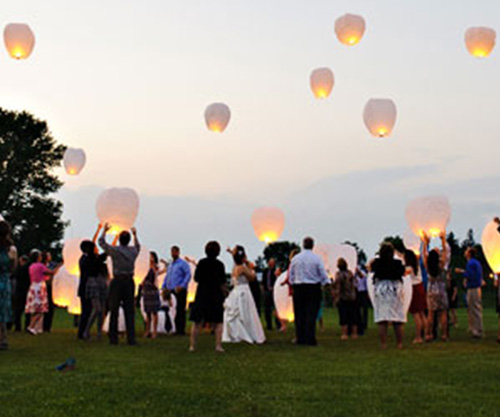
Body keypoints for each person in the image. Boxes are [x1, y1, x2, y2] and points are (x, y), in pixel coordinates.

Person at [99, 224, 140, 345]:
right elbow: (138, 246)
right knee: (130, 311)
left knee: (114, 309)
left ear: (120, 240)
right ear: (128, 241)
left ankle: (113, 338)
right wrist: (135, 234)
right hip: (129, 281)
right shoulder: (133, 251)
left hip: (117, 281)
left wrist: (104, 231)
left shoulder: (115, 250)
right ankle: (131, 339)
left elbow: (102, 243)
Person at [289, 237, 330, 346]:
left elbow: (291, 275)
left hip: (298, 287)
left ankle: (300, 337)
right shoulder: (316, 259)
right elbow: (322, 273)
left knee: (299, 314)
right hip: (313, 288)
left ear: (303, 245)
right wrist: (326, 282)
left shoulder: (296, 259)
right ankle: (310, 338)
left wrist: (293, 283)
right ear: (313, 245)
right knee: (311, 314)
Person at [222, 245, 265, 344]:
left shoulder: (235, 267)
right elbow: (252, 277)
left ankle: (236, 333)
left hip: (236, 291)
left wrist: (230, 252)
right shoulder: (242, 268)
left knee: (237, 313)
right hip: (244, 291)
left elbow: (235, 255)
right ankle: (247, 333)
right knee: (246, 313)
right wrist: (252, 268)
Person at [189, 241, 227, 352]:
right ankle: (218, 345)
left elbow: (196, 278)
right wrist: (225, 292)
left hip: (202, 294)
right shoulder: (220, 265)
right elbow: (223, 282)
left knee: (197, 321)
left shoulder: (201, 263)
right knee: (218, 322)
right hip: (215, 295)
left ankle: (192, 346)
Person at [369, 242, 406, 349]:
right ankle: (399, 343)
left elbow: (370, 268)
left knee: (382, 319)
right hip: (395, 289)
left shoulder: (377, 263)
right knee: (397, 318)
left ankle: (383, 343)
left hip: (381, 289)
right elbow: (403, 273)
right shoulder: (398, 263)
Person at [422, 232, 449, 342]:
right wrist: (443, 240)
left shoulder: (427, 266)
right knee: (443, 313)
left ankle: (428, 335)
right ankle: (444, 335)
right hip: (441, 290)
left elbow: (423, 254)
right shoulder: (441, 264)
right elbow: (446, 254)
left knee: (431, 314)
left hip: (431, 291)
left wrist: (425, 242)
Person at [25, 250, 58, 335]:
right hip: (39, 287)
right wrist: (59, 267)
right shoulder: (40, 266)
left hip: (33, 286)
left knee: (34, 309)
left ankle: (34, 327)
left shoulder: (31, 266)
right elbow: (52, 272)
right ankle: (31, 326)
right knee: (40, 309)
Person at [81, 241, 108, 340]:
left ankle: (99, 333)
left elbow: (105, 254)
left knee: (102, 309)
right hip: (93, 283)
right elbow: (105, 254)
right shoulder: (88, 260)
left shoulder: (95, 258)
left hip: (100, 282)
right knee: (97, 309)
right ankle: (87, 331)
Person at [162, 246, 191, 335]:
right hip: (170, 290)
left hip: (179, 290)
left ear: (178, 252)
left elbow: (188, 275)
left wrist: (182, 285)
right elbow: (167, 276)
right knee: (171, 309)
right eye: (172, 252)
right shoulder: (170, 265)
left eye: (175, 252)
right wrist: (163, 286)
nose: (173, 253)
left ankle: (181, 330)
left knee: (180, 310)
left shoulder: (183, 264)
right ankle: (173, 328)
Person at [455, 247, 484, 338]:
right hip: (476, 287)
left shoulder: (470, 263)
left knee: (474, 309)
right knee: (474, 308)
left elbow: (470, 275)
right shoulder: (476, 263)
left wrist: (462, 273)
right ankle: (474, 328)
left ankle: (477, 330)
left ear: (469, 254)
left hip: (473, 288)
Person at [332, 258, 359, 341]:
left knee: (344, 316)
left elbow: (337, 287)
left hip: (343, 297)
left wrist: (336, 297)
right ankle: (354, 334)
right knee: (353, 316)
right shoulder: (350, 273)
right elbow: (356, 284)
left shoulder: (339, 275)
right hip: (352, 297)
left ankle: (344, 334)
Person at [405, 249, 427, 344]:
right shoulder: (417, 265)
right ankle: (427, 334)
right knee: (422, 314)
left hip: (414, 289)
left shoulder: (409, 268)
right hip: (420, 287)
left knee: (416, 314)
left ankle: (418, 337)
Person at [142, 251, 166, 339]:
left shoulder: (155, 268)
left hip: (153, 291)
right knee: (148, 312)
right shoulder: (144, 268)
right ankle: (147, 330)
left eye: (151, 257)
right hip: (146, 291)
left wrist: (165, 264)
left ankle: (154, 331)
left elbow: (161, 272)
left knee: (154, 312)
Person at [0, 221, 16, 350]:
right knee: (2, 311)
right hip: (4, 281)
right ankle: (3, 339)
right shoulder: (11, 249)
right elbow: (13, 268)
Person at [262, 258, 281, 331]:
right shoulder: (265, 271)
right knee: (267, 309)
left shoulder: (276, 271)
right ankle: (269, 325)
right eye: (269, 262)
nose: (270, 264)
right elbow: (264, 281)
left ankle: (278, 324)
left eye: (272, 263)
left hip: (274, 291)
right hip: (267, 291)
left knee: (276, 308)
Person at [13, 255, 30, 332]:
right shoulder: (28, 269)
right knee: (27, 311)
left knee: (18, 310)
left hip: (19, 291)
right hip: (27, 290)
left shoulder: (18, 269)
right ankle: (27, 325)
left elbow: (13, 276)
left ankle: (17, 326)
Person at [42, 252, 56, 332]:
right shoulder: (42, 266)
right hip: (45, 287)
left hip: (51, 287)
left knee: (50, 307)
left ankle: (48, 326)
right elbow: (52, 272)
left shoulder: (52, 264)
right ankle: (44, 325)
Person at [355, 267, 369, 335]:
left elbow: (362, 277)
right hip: (357, 292)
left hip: (363, 292)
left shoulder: (363, 272)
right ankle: (359, 323)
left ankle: (364, 323)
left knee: (364, 309)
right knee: (357, 309)